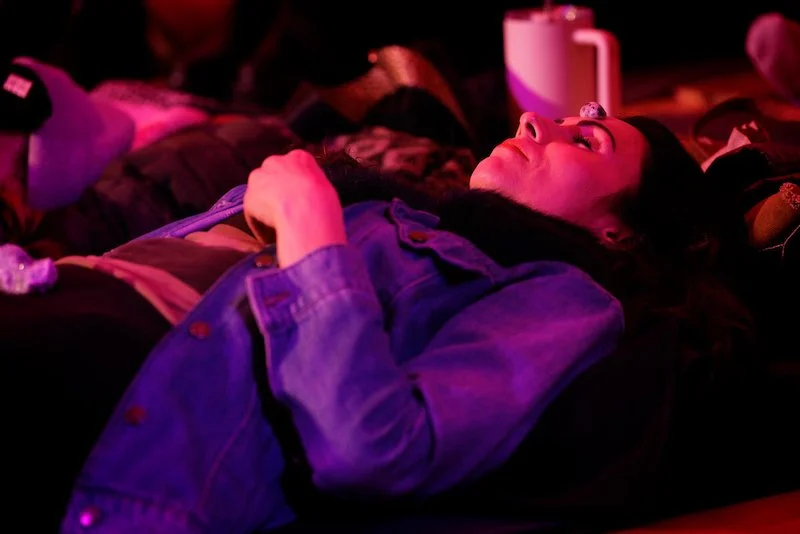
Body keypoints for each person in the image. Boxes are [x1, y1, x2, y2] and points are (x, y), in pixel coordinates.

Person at [1, 106, 753, 533]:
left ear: (621, 230)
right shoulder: (410, 212)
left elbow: (370, 446)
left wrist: (307, 221)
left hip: (93, 378)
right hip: (47, 297)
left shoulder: (564, 295)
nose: (537, 120)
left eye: (587, 141)